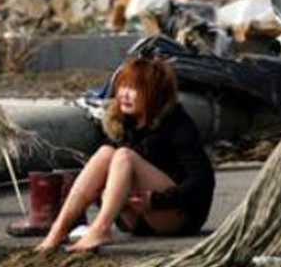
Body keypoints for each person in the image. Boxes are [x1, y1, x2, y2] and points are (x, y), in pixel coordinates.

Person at [36, 57, 215, 252]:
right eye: (122, 87)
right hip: (133, 219)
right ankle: (58, 230)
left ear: (153, 93)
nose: (123, 95)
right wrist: (100, 193)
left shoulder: (177, 124)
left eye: (133, 89)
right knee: (106, 153)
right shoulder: (122, 123)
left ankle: (100, 229)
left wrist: (156, 200)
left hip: (174, 216)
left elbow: (203, 180)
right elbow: (103, 176)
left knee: (124, 156)